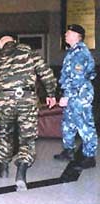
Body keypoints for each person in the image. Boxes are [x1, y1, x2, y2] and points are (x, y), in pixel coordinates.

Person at [0, 33, 57, 191]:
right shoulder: (29, 52)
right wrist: (51, 94)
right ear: (15, 41)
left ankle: (4, 168)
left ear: (0, 43)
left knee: (5, 133)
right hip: (26, 98)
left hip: (4, 101)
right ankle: (21, 173)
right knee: (27, 138)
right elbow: (46, 73)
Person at [53, 24, 98, 169]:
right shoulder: (72, 51)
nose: (65, 34)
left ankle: (89, 157)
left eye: (69, 32)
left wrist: (68, 96)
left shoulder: (80, 53)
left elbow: (77, 78)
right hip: (73, 93)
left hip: (80, 94)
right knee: (68, 124)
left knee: (84, 125)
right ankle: (68, 151)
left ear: (77, 36)